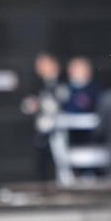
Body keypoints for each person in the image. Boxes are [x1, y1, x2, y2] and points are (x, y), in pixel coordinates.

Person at [20, 53, 70, 183]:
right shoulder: (34, 84)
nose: (41, 68)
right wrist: (34, 105)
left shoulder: (64, 82)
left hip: (62, 128)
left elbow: (65, 100)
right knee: (42, 160)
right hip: (42, 129)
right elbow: (26, 105)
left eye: (44, 65)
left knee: (62, 160)